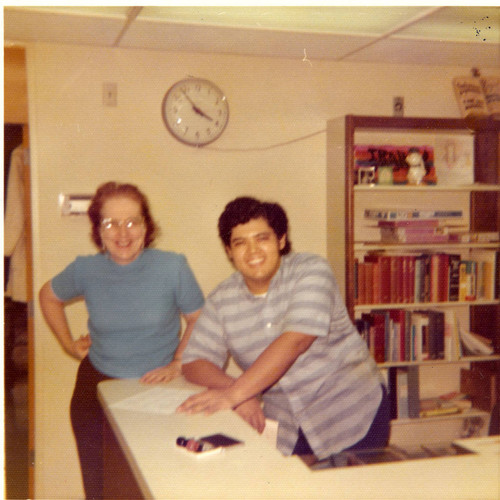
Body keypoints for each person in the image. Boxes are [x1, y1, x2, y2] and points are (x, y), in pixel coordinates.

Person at [177, 196, 390, 460]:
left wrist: (235, 393)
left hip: (351, 413)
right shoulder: (221, 299)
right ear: (229, 251)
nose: (252, 251)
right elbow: (194, 361)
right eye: (240, 243)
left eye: (262, 238)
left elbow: (295, 341)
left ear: (281, 240)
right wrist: (240, 394)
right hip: (288, 428)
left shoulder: (312, 270)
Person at [39, 181, 204, 499]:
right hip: (96, 389)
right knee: (101, 488)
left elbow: (198, 318)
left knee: (153, 485)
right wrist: (67, 343)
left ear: (147, 225)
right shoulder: (86, 269)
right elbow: (48, 296)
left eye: (132, 221)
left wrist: (179, 362)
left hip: (156, 387)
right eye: (110, 222)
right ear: (97, 230)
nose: (122, 233)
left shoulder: (172, 267)